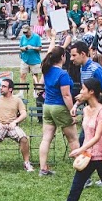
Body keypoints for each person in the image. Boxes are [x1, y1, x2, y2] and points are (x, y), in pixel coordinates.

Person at [0, 76, 32, 174]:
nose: (1, 88)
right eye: (1, 86)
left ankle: (26, 163)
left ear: (10, 89)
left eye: (4, 86)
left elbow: (24, 113)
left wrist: (15, 122)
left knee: (24, 138)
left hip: (12, 125)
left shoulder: (17, 100)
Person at [39, 46, 75, 176]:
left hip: (47, 106)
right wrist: (72, 110)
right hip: (59, 107)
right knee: (72, 139)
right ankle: (80, 169)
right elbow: (66, 95)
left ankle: (43, 168)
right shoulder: (62, 74)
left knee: (46, 138)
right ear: (62, 57)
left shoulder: (46, 71)